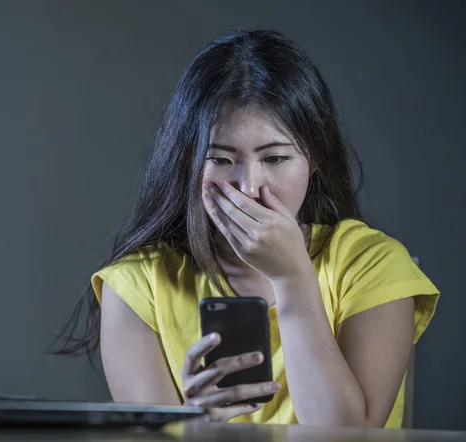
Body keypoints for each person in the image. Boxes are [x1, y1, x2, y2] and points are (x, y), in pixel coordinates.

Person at [56, 29, 439, 427]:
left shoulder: (372, 265)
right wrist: (192, 424)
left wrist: (291, 277)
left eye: (275, 158)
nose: (249, 186)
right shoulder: (137, 286)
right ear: (189, 164)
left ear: (315, 159)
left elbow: (345, 436)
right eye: (221, 160)